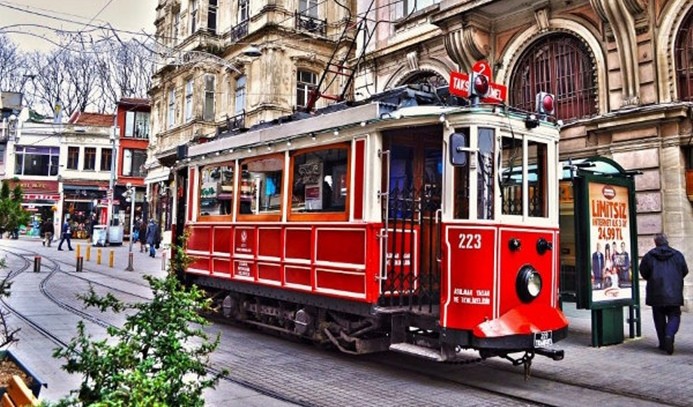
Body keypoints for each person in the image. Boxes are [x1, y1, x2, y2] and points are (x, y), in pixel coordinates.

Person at [639, 233, 689, 355]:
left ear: (656, 242)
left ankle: (663, 343)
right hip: (674, 293)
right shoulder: (678, 255)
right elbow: (684, 271)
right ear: (667, 242)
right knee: (674, 316)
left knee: (659, 318)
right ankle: (669, 334)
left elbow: (643, 272)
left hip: (656, 293)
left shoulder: (649, 256)